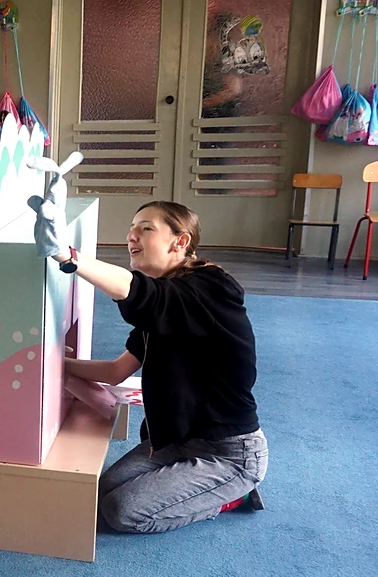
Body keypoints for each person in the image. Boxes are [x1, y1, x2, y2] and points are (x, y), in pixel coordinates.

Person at [46, 200, 267, 534]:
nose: (131, 236)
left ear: (180, 242)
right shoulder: (166, 306)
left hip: (229, 452)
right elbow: (116, 371)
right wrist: (56, 363)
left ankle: (232, 497)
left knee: (121, 512)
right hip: (178, 441)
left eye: (146, 228)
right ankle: (202, 487)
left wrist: (68, 256)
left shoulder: (210, 289)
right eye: (132, 228)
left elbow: (136, 291)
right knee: (100, 492)